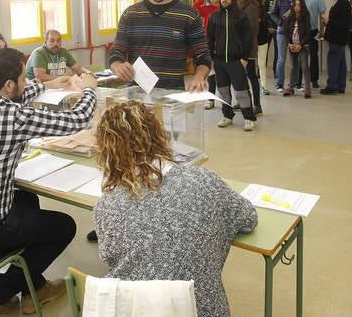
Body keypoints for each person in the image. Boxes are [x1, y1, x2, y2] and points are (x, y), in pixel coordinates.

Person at [0, 48, 98, 315]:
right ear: (9, 84)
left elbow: (18, 96)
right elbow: (78, 119)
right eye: (23, 78)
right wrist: (89, 89)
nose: (25, 83)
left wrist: (45, 84)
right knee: (63, 225)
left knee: (27, 199)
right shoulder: (14, 117)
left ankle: (34, 287)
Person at [93, 100, 258, 317]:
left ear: (107, 151)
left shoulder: (105, 206)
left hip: (138, 309)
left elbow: (110, 258)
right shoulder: (202, 180)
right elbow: (248, 219)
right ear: (160, 135)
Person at [108, 0, 211, 92]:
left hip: (173, 97)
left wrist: (199, 76)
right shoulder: (130, 14)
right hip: (137, 98)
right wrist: (117, 65)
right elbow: (116, 52)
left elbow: (203, 56)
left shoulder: (188, 15)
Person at [207, 0, 257, 131]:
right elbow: (209, 39)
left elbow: (248, 38)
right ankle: (227, 115)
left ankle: (248, 117)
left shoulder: (241, 16)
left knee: (241, 90)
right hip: (219, 60)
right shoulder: (214, 17)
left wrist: (244, 58)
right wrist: (210, 58)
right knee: (223, 90)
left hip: (236, 60)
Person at [270, 0, 301, 92]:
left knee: (294, 61)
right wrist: (280, 21)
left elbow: (304, 13)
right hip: (282, 32)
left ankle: (292, 85)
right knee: (281, 59)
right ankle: (279, 84)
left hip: (295, 32)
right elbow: (272, 14)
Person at [236, 0, 263, 116]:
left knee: (252, 77)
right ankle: (243, 102)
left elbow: (252, 29)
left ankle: (257, 105)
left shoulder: (251, 7)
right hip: (240, 47)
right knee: (240, 77)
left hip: (248, 49)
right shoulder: (240, 5)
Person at [320, 0, 351, 95]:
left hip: (337, 39)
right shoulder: (338, 2)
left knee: (333, 62)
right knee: (341, 62)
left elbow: (344, 23)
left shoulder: (343, 3)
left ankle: (332, 85)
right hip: (338, 38)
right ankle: (340, 85)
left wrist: (329, 20)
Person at [193, 0, 220, 109]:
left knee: (225, 74)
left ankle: (227, 100)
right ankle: (210, 99)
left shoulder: (225, 8)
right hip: (209, 44)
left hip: (223, 45)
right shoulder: (207, 9)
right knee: (211, 74)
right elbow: (194, 8)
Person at [283, 0, 314, 99]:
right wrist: (289, 43)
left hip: (303, 46)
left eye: (299, 5)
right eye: (295, 5)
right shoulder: (289, 16)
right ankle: (290, 88)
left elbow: (308, 32)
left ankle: (308, 90)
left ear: (302, 6)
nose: (296, 7)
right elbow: (285, 31)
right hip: (292, 45)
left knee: (304, 66)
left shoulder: (306, 16)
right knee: (292, 67)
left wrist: (301, 45)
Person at [300, 0, 326, 89]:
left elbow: (322, 14)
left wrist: (322, 29)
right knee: (299, 56)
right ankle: (298, 81)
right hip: (300, 31)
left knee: (313, 55)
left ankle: (314, 80)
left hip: (313, 30)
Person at [263, 0, 281, 90]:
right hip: (268, 30)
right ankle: (261, 71)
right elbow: (265, 15)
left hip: (278, 30)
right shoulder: (267, 1)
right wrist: (268, 27)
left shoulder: (282, 1)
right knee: (264, 51)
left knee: (278, 52)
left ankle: (276, 71)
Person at [254, 0, 272, 96]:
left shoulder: (263, 10)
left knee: (260, 64)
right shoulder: (254, 10)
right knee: (261, 64)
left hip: (259, 40)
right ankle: (263, 87)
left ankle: (264, 87)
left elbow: (265, 23)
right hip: (261, 40)